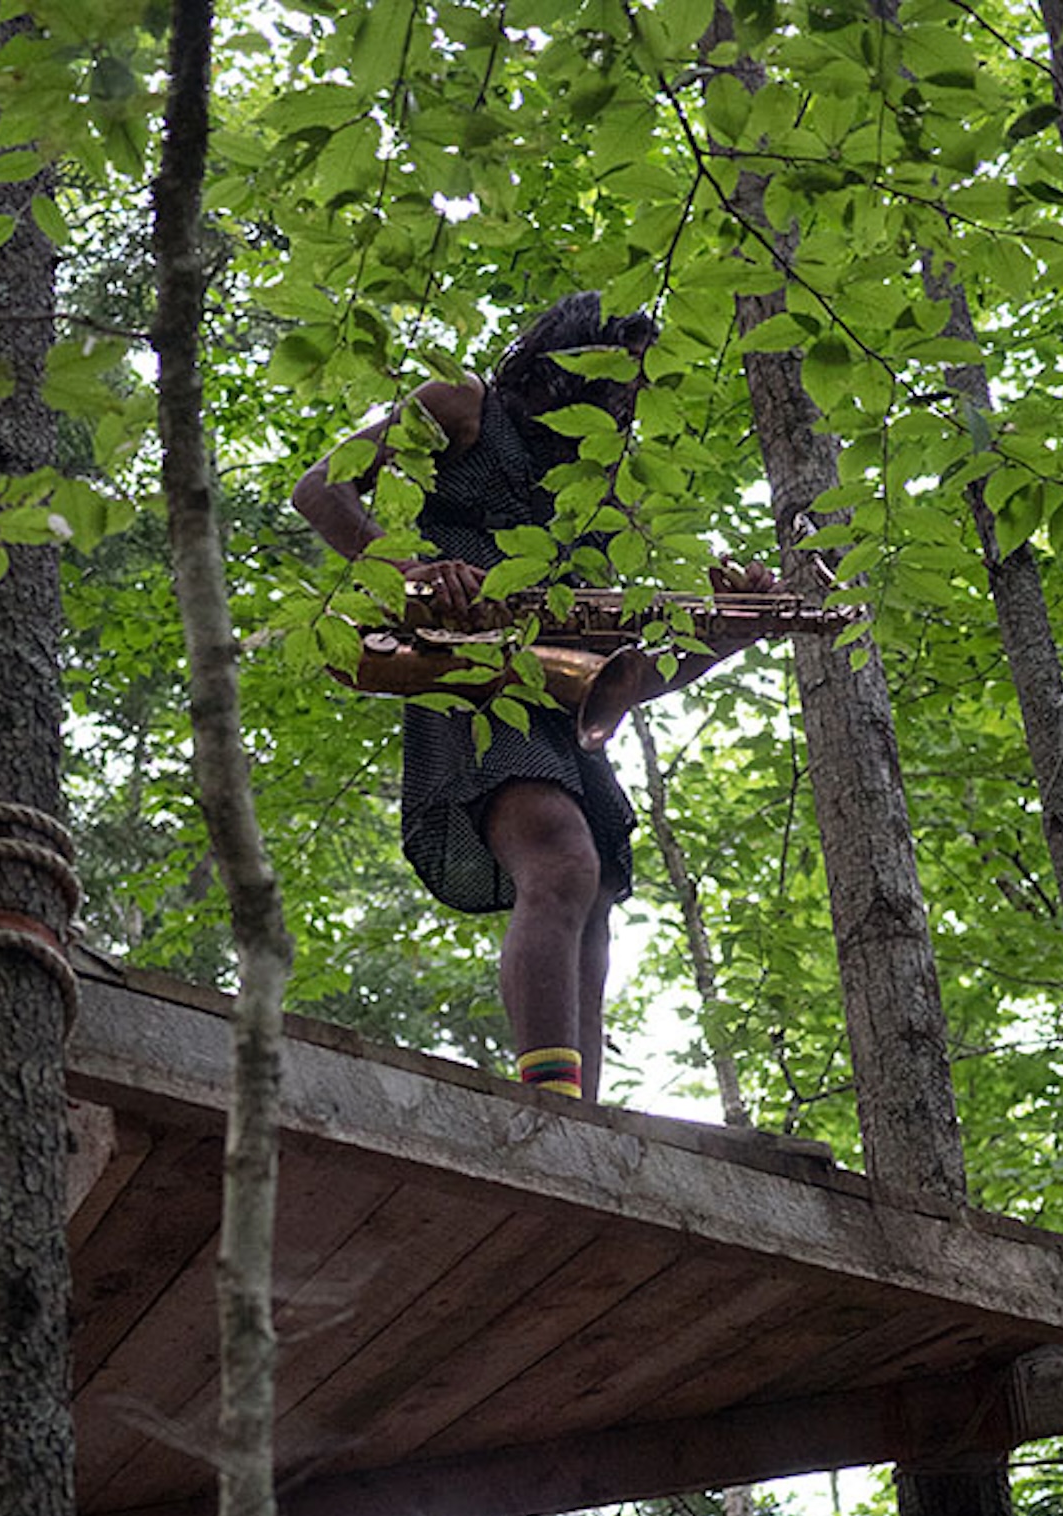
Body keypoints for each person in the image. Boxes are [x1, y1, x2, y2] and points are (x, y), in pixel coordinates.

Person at [293, 291, 767, 1103]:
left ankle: (571, 1113)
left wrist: (735, 629)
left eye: (631, 391)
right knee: (561, 861)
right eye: (612, 377)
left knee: (595, 894)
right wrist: (407, 570)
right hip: (469, 678)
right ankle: (548, 1108)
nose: (621, 401)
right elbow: (319, 491)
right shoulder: (463, 406)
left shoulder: (597, 496)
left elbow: (629, 676)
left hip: (553, 704)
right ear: (564, 359)